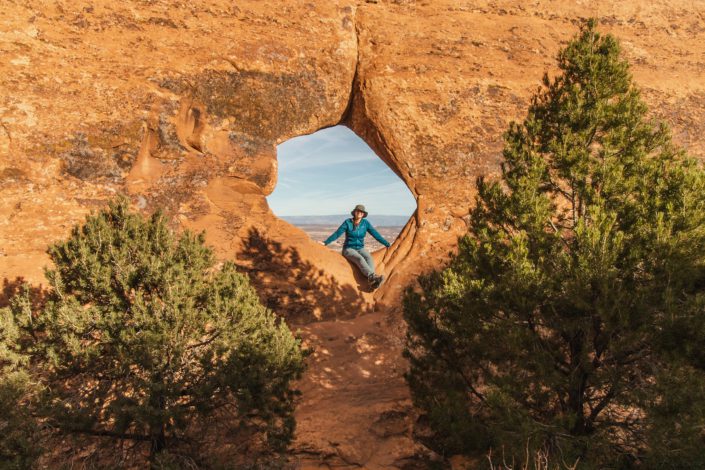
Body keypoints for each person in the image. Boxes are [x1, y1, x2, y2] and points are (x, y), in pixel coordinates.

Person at [320, 204, 390, 289]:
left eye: (362, 212)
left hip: (360, 248)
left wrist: (386, 244)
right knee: (360, 258)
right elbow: (337, 233)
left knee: (369, 258)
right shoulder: (347, 222)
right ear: (355, 212)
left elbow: (375, 234)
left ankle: (372, 281)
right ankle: (372, 277)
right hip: (349, 249)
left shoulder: (365, 223)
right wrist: (325, 242)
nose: (360, 213)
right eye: (358, 211)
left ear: (363, 214)